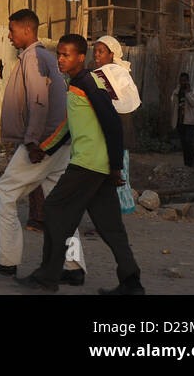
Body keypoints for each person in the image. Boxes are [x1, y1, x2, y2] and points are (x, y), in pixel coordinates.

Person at [18, 34, 144, 295]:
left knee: (53, 210)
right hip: (96, 166)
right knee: (110, 226)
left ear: (80, 57)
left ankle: (48, 276)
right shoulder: (76, 84)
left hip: (88, 165)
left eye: (66, 55)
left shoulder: (89, 82)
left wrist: (116, 165)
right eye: (59, 54)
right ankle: (132, 283)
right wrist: (46, 149)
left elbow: (111, 122)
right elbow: (69, 124)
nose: (61, 59)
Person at [0, 9, 83, 283]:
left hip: (43, 142)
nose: (9, 36)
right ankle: (73, 267)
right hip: (59, 141)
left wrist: (33, 142)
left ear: (26, 31)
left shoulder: (34, 57)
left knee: (5, 192)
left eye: (11, 31)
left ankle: (7, 260)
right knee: (59, 205)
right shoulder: (44, 56)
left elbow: (38, 101)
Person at [92, 35, 135, 213]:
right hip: (104, 130)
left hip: (119, 130)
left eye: (101, 52)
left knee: (118, 173)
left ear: (112, 54)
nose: (96, 55)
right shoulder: (98, 73)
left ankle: (115, 214)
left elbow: (123, 103)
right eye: (95, 51)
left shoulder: (118, 74)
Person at [171, 72, 194, 168]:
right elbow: (172, 102)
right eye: (181, 80)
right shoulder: (177, 91)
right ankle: (188, 163)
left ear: (188, 81)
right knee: (183, 143)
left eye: (184, 80)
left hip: (190, 121)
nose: (183, 82)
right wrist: (177, 92)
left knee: (189, 141)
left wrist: (187, 93)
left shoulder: (193, 91)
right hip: (180, 121)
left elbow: (193, 104)